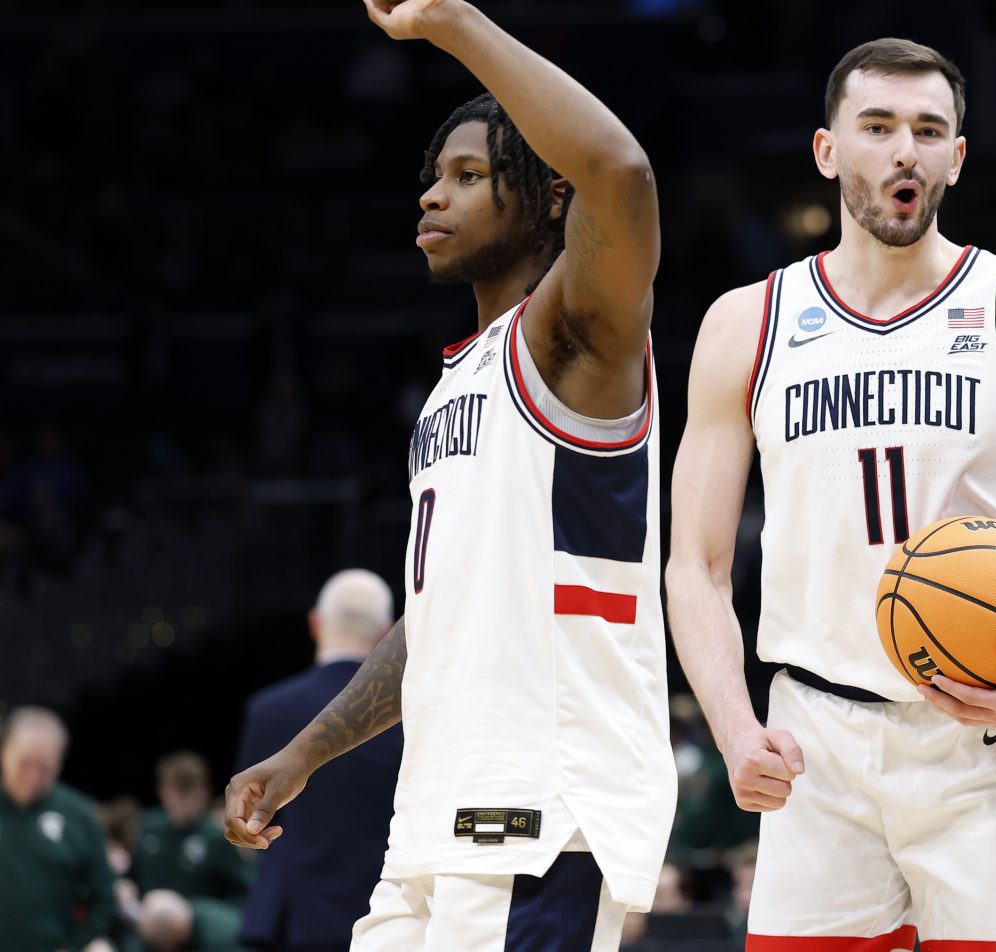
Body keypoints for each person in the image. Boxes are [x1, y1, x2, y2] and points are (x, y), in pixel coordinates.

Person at [666, 38, 996, 950]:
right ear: (828, 151)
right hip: (813, 740)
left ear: (956, 158)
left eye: (928, 130)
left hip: (989, 737)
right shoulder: (748, 323)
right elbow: (695, 566)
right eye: (879, 127)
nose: (905, 150)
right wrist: (735, 729)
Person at [223, 1, 675, 949]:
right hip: (437, 809)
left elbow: (622, 173)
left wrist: (455, 23)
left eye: (470, 176)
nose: (433, 196)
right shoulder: (454, 383)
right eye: (433, 177)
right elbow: (439, 618)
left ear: (551, 197)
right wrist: (307, 754)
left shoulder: (573, 342)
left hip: (539, 805)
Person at [234, 569, 403, 952]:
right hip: (389, 914)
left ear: (315, 623)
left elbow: (253, 822)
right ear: (386, 634)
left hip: (296, 920)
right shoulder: (414, 717)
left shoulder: (269, 711)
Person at [0, 706, 116, 952]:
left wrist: (76, 946)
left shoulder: (79, 814)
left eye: (45, 768)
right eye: (25, 763)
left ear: (60, 765)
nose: (33, 777)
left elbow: (104, 898)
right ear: (3, 753)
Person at [131, 752, 250, 904]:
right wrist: (126, 886)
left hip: (198, 921)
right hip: (147, 918)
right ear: (162, 792)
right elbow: (131, 876)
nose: (183, 802)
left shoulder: (219, 837)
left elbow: (242, 893)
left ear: (204, 793)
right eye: (176, 792)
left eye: (189, 793)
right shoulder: (148, 827)